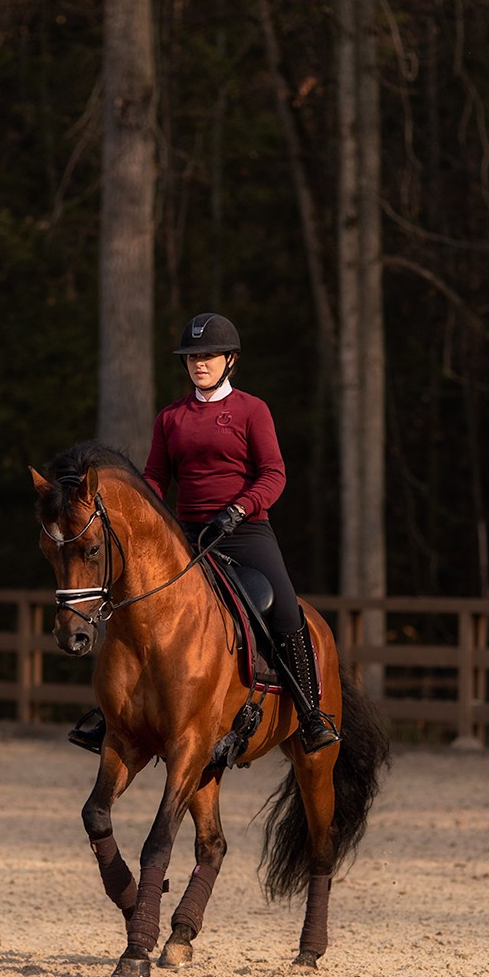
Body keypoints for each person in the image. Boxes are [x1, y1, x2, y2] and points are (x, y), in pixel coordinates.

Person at [69, 312, 340, 754]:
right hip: (186, 534)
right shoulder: (171, 417)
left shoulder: (252, 410)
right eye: (193, 357)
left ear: (230, 359)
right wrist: (138, 516)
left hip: (244, 530)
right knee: (132, 602)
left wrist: (239, 508)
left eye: (208, 356)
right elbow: (154, 479)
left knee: (287, 609)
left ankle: (312, 715)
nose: (199, 363)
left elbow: (274, 473)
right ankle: (114, 713)